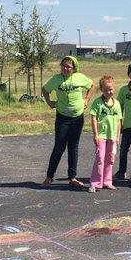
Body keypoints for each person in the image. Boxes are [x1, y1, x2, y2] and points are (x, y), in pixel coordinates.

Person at [41, 56, 93, 188]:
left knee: (73, 147)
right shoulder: (56, 79)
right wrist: (49, 102)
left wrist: (86, 100)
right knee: (59, 146)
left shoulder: (79, 77)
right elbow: (45, 89)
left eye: (68, 66)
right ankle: (49, 176)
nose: (65, 68)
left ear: (74, 68)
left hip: (77, 117)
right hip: (62, 117)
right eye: (63, 65)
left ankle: (72, 178)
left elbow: (91, 85)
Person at [89, 75, 123, 193]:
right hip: (102, 136)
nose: (109, 92)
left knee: (110, 159)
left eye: (111, 89)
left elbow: (119, 120)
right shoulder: (97, 102)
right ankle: (95, 183)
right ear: (101, 90)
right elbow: (93, 118)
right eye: (106, 90)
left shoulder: (117, 103)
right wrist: (95, 134)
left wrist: (117, 136)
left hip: (112, 137)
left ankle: (107, 182)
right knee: (100, 159)